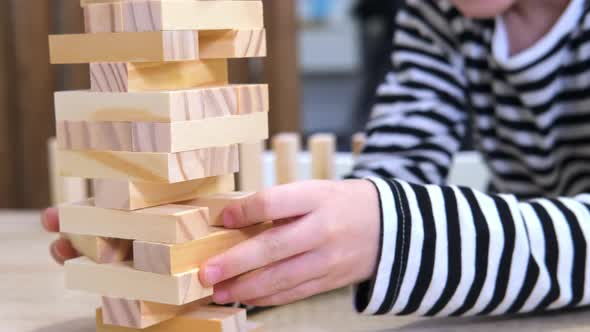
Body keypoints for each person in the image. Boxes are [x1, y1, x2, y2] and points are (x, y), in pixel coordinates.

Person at [43, 0, 590, 317]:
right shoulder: (438, 14)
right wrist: (274, 253)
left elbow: (392, 220)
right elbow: (395, 168)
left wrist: (395, 234)